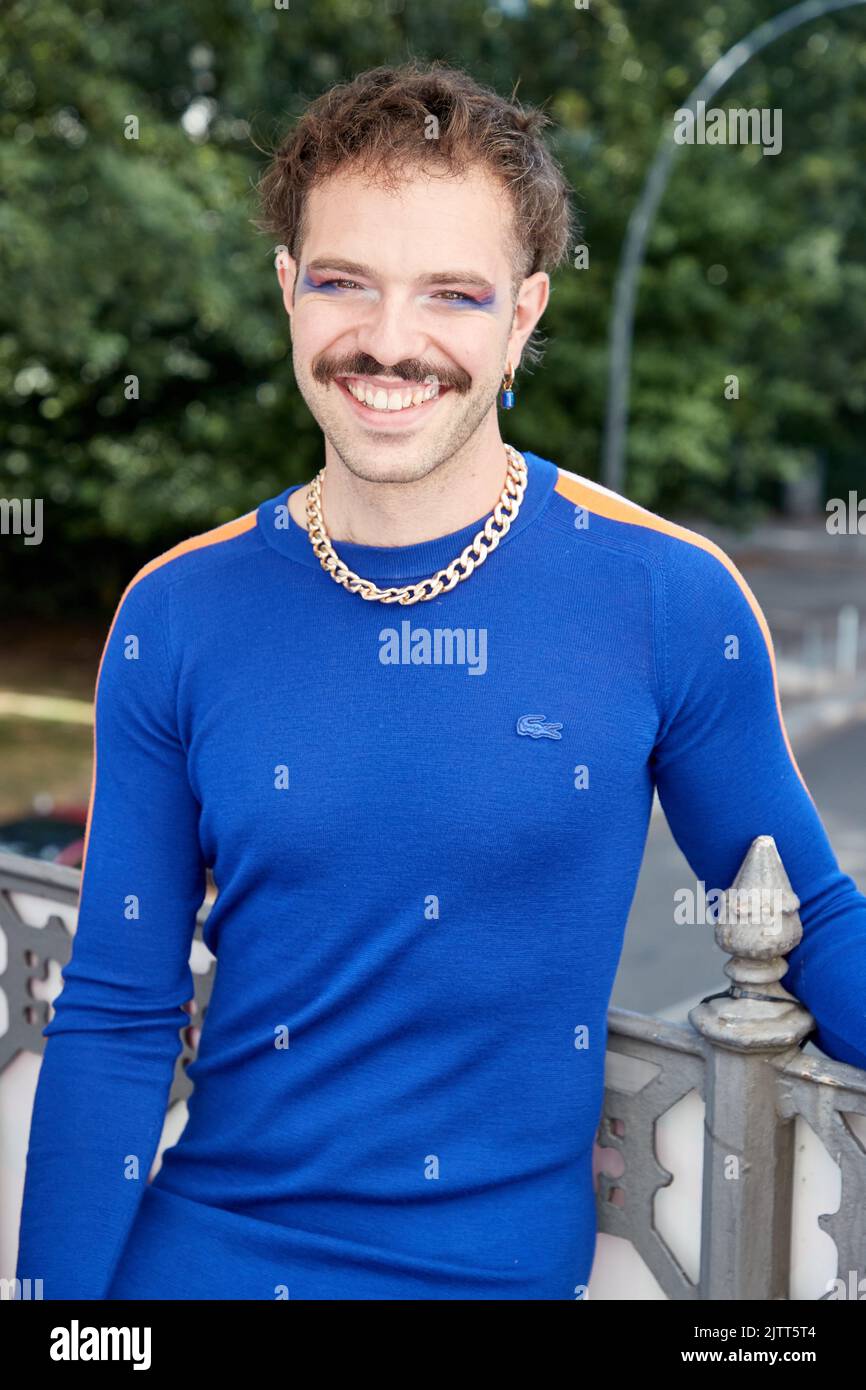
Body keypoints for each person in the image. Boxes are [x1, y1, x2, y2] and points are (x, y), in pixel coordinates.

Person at [15, 59, 866, 1302]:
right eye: (344, 282)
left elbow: (813, 919)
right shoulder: (175, 612)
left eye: (451, 295)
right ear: (287, 293)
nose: (389, 342)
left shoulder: (664, 597)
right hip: (198, 1261)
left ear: (523, 316)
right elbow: (114, 1018)